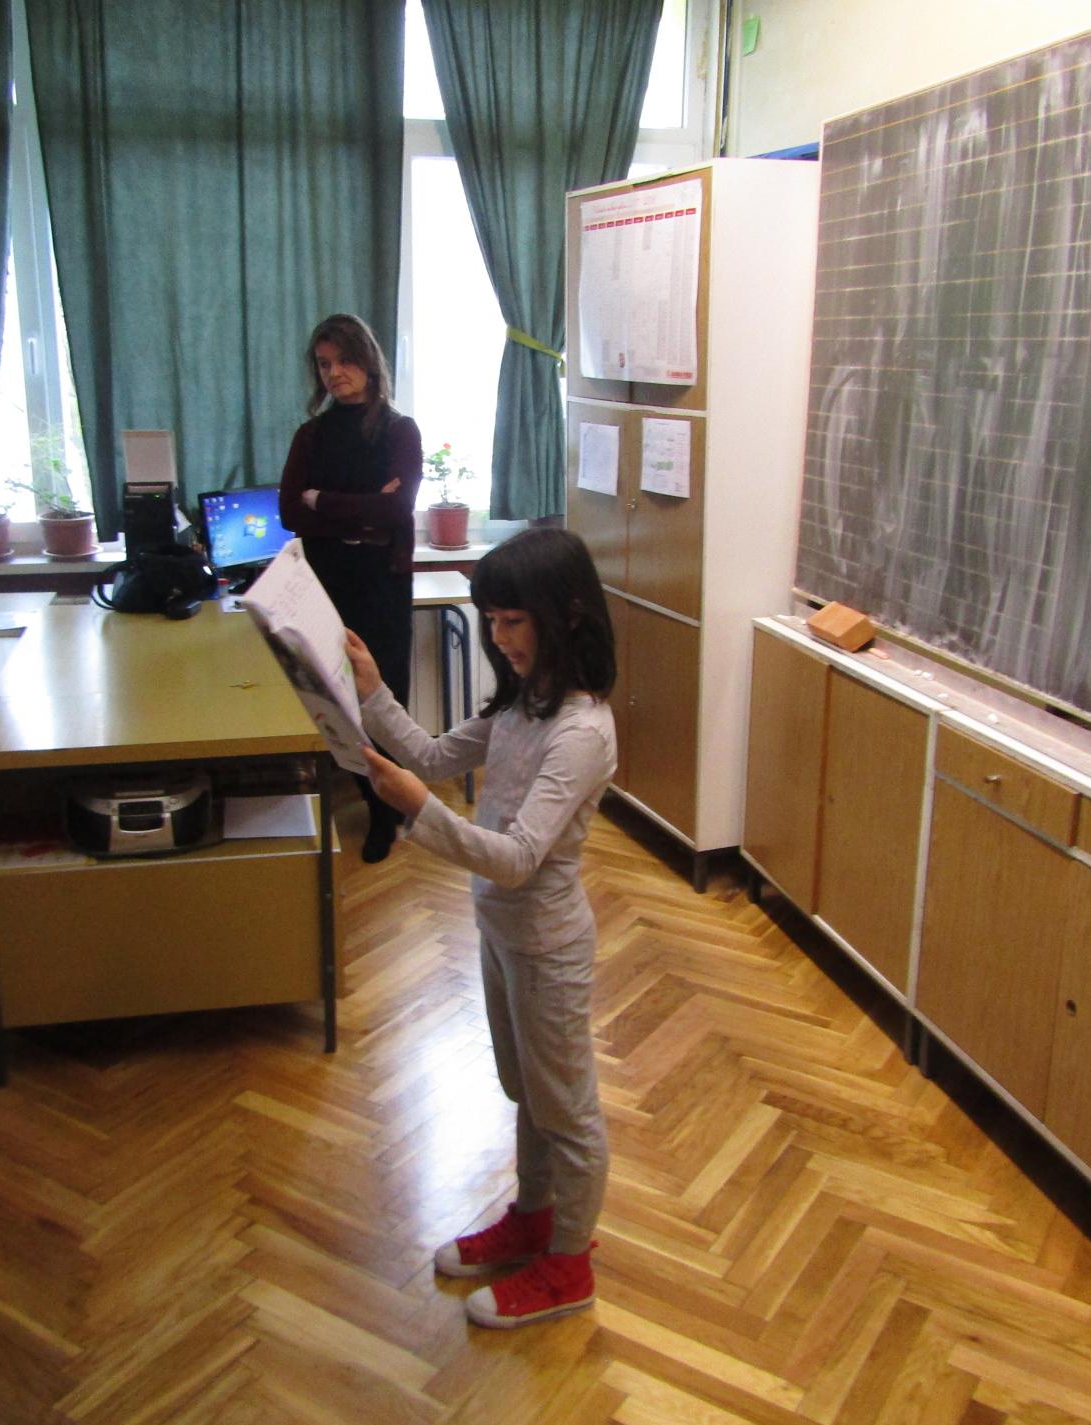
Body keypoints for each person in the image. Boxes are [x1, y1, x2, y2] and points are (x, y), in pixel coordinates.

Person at [348, 527, 619, 1329]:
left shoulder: (580, 731)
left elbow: (517, 858)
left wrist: (419, 812)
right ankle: (534, 1218)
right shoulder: (523, 704)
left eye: (512, 621)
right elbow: (434, 755)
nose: (499, 639)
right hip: (502, 934)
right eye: (491, 621)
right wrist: (372, 691)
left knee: (566, 1110)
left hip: (547, 944)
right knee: (526, 1091)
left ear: (567, 614)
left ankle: (569, 1265)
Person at [279, 312, 422, 863]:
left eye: (344, 360)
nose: (334, 373)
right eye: (324, 364)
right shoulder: (312, 435)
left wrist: (324, 500)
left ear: (368, 361)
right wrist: (364, 508)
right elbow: (291, 513)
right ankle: (378, 807)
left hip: (382, 583)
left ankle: (393, 804)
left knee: (385, 697)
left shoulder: (399, 431)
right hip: (328, 583)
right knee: (341, 703)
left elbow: (397, 509)